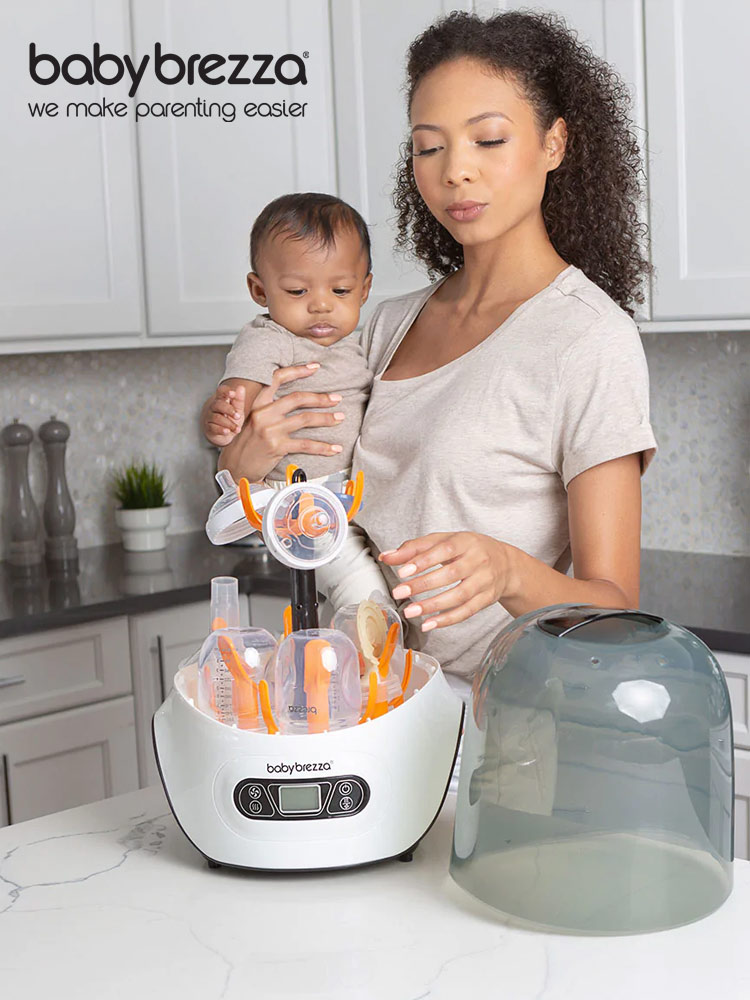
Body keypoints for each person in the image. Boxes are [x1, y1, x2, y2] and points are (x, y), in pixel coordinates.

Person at [220, 10, 658, 706]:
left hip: (500, 729)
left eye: (488, 139)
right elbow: (290, 504)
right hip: (371, 704)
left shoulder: (587, 340)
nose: (457, 170)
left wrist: (506, 570)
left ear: (554, 143)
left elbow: (613, 611)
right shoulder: (385, 324)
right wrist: (245, 461)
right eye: (429, 148)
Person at [202, 192, 393, 610]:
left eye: (340, 289)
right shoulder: (270, 338)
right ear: (259, 289)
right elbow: (237, 394)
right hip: (299, 499)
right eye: (296, 290)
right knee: (359, 589)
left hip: (347, 493)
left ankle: (347, 655)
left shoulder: (360, 346)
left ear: (365, 289)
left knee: (361, 582)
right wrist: (225, 412)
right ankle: (370, 658)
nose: (321, 304)